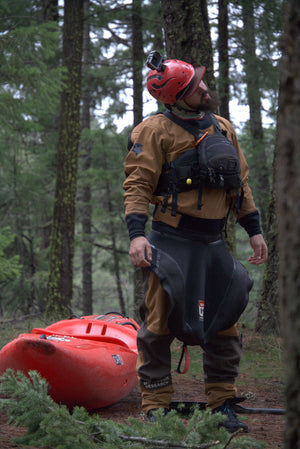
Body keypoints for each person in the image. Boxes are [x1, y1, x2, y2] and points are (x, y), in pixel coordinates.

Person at [123, 51, 268, 433]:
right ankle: (155, 406)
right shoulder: (153, 131)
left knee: (226, 322)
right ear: (176, 95)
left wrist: (253, 230)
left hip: (212, 243)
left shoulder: (221, 126)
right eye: (194, 86)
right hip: (170, 240)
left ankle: (222, 404)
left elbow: (240, 183)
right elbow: (137, 185)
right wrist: (137, 236)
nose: (204, 88)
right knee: (159, 326)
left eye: (200, 82)